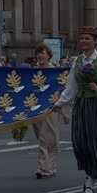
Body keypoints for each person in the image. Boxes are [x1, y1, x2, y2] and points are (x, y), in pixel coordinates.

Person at [53, 26, 97, 193]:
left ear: (95, 41)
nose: (83, 41)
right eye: (82, 38)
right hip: (81, 105)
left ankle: (90, 179)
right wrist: (59, 103)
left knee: (95, 142)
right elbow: (71, 86)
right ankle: (89, 173)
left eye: (87, 38)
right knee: (80, 141)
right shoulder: (78, 61)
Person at [32, 42, 67, 178]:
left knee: (48, 139)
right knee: (42, 137)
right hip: (36, 110)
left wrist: (65, 113)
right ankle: (48, 166)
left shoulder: (54, 72)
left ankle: (43, 167)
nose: (40, 55)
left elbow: (62, 93)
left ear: (48, 56)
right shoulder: (33, 72)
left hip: (52, 109)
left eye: (42, 53)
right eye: (38, 53)